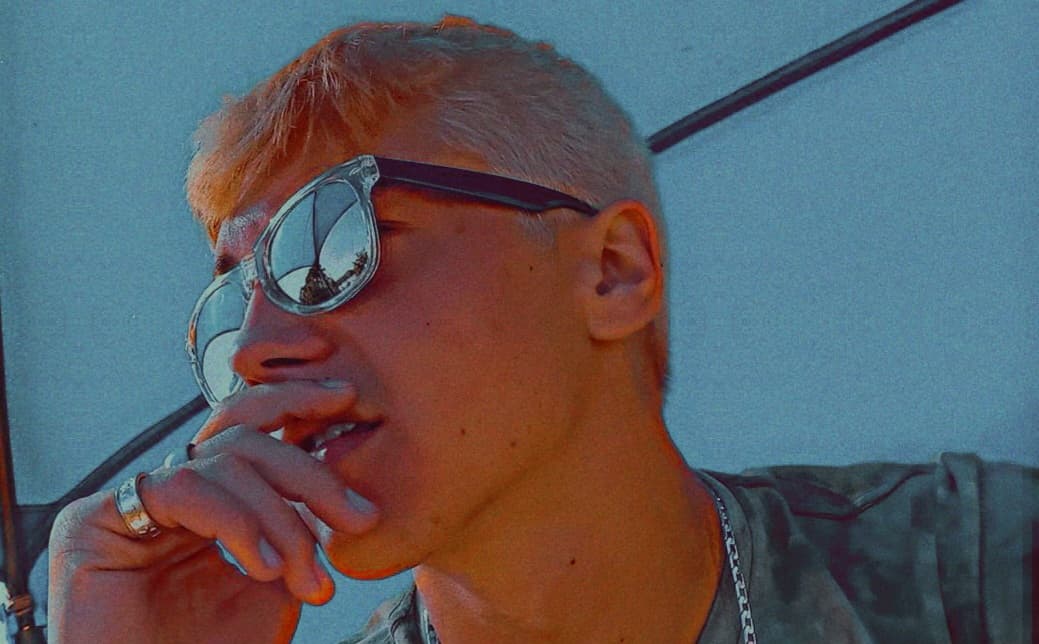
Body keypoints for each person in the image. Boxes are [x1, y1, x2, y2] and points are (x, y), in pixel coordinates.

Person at [46, 15, 1035, 644]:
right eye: (228, 314)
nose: (260, 348)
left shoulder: (971, 571)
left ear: (611, 272)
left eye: (329, 243)